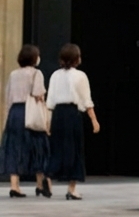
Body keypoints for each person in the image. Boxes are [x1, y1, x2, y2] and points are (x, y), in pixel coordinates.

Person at [45, 43, 99, 200]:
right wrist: (94, 120)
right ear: (77, 59)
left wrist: (48, 122)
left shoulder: (55, 75)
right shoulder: (80, 76)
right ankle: (71, 188)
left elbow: (50, 102)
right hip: (72, 114)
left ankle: (48, 177)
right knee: (74, 150)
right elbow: (87, 100)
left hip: (58, 115)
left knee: (56, 148)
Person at [2, 45, 52, 198]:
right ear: (34, 58)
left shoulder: (13, 74)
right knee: (38, 146)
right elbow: (38, 93)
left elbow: (8, 96)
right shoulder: (37, 73)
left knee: (15, 148)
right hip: (31, 112)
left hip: (15, 112)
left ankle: (14, 185)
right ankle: (39, 184)